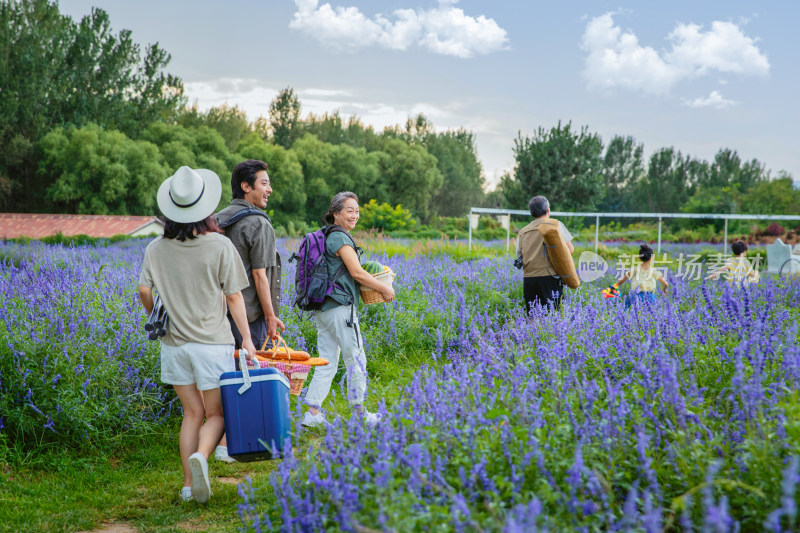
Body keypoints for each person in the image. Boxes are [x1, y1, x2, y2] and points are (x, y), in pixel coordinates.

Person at [138, 166, 257, 504]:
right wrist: (246, 339)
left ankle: (188, 487)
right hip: (212, 343)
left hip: (174, 345)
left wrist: (159, 314)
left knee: (191, 413)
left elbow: (144, 290)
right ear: (205, 207)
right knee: (216, 414)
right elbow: (234, 297)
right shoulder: (219, 245)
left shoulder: (156, 249)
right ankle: (203, 457)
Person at [301, 192, 395, 428]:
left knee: (327, 361)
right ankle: (359, 413)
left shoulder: (324, 236)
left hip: (323, 308)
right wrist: (384, 290)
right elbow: (357, 272)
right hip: (341, 308)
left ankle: (312, 415)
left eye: (357, 211)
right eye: (349, 210)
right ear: (335, 213)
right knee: (357, 359)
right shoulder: (340, 238)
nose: (355, 215)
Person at [214, 159, 285, 463]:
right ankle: (234, 442)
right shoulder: (258, 223)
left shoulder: (215, 220)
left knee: (220, 375)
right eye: (264, 183)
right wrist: (271, 318)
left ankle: (216, 438)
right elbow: (260, 275)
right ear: (246, 186)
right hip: (248, 313)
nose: (270, 189)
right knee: (246, 374)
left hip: (214, 312)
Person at [516, 195, 575, 313]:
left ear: (531, 212)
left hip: (529, 280)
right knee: (553, 316)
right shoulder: (555, 225)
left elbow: (519, 257)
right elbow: (570, 250)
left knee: (533, 316)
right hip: (550, 278)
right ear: (548, 209)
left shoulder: (523, 231)